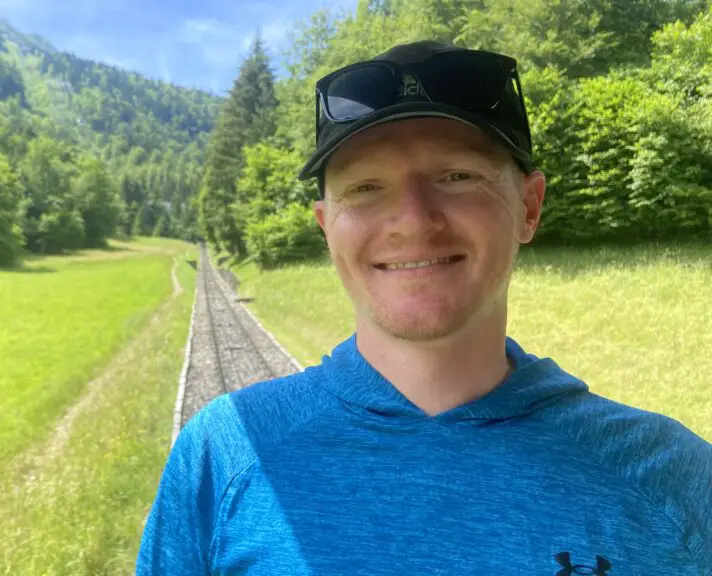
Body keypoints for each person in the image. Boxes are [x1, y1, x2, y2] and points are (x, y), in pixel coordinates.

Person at [136, 41, 712, 575]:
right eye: (365, 188)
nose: (413, 220)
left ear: (529, 207)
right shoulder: (223, 454)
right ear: (326, 226)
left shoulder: (676, 480)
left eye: (457, 177)